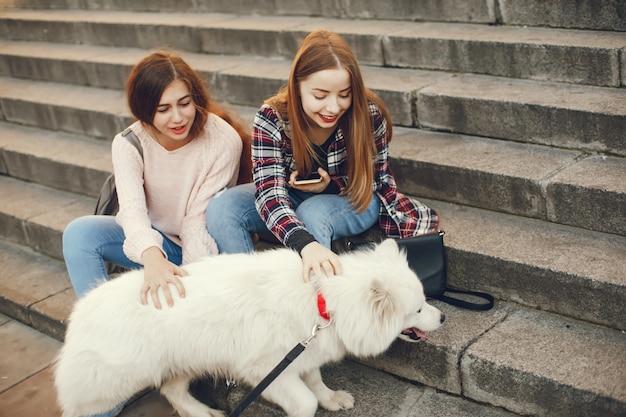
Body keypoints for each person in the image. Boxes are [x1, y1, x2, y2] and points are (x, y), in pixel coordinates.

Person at [206, 30, 438, 282]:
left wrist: (331, 185)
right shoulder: (272, 118)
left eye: (344, 94)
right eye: (320, 95)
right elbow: (270, 193)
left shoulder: (369, 115)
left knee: (312, 212)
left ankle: (321, 302)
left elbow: (376, 180)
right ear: (297, 87)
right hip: (291, 195)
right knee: (223, 208)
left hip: (354, 199)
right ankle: (247, 295)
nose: (333, 107)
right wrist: (304, 242)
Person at [63, 50, 251, 310]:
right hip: (157, 243)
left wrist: (191, 286)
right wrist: (152, 259)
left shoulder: (222, 140)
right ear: (144, 110)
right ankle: (101, 323)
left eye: (184, 104)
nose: (177, 118)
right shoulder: (129, 143)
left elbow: (197, 221)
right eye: (163, 109)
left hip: (204, 245)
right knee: (79, 233)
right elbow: (131, 211)